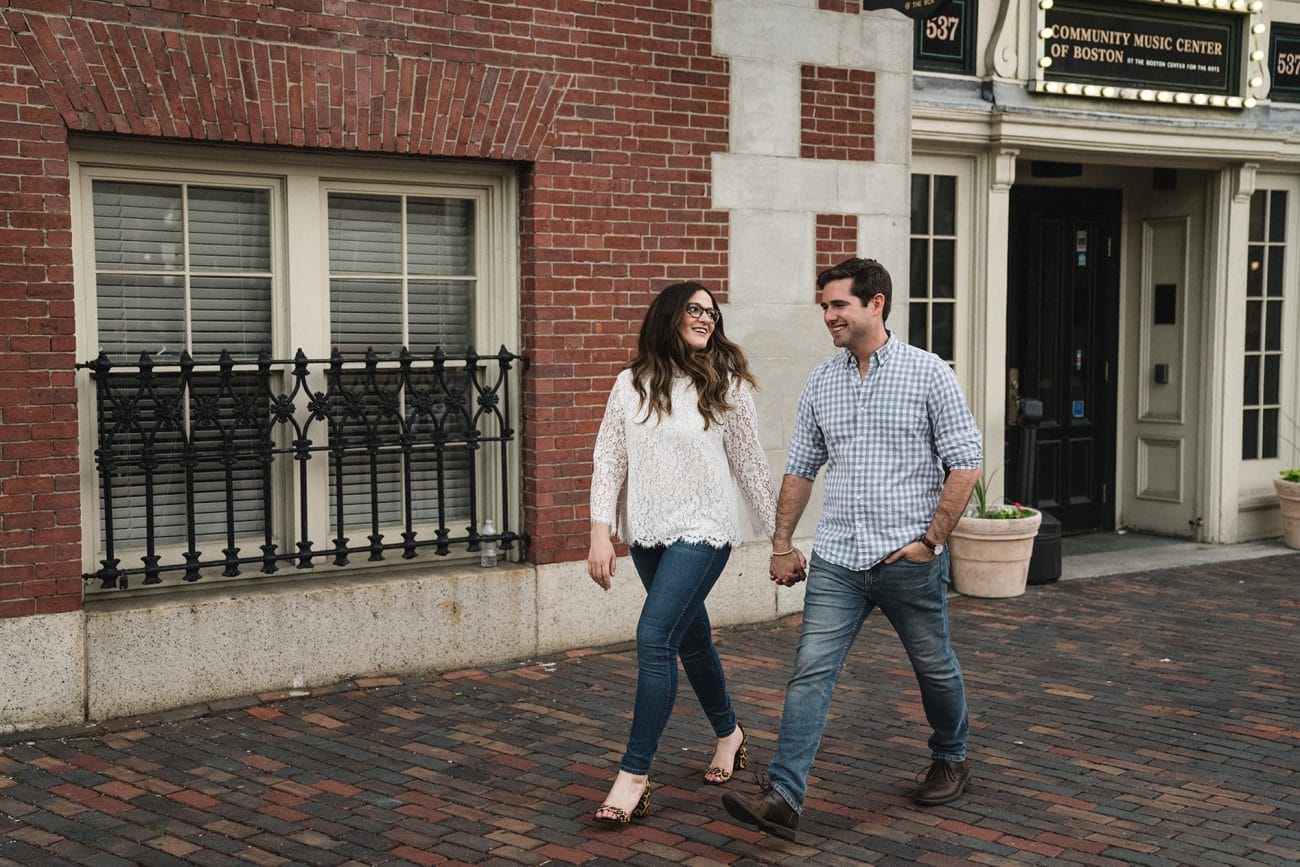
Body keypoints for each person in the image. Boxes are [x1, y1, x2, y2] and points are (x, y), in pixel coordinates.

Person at [721, 257, 983, 841]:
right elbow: (800, 467)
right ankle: (784, 797)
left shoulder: (928, 373)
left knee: (934, 668)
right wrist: (781, 543)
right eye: (824, 306)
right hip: (839, 559)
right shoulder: (822, 379)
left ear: (876, 304)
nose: (828, 316)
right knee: (810, 672)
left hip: (905, 560)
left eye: (838, 305)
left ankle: (952, 754)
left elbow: (966, 459)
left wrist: (931, 540)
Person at [587, 281, 782, 825]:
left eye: (712, 312)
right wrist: (600, 531)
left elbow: (749, 466)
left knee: (654, 639)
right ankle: (730, 733)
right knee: (691, 640)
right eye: (695, 309)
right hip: (647, 535)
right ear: (668, 315)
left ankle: (633, 777)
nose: (707, 318)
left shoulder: (727, 384)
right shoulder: (630, 385)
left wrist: (780, 540)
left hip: (705, 530)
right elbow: (608, 460)